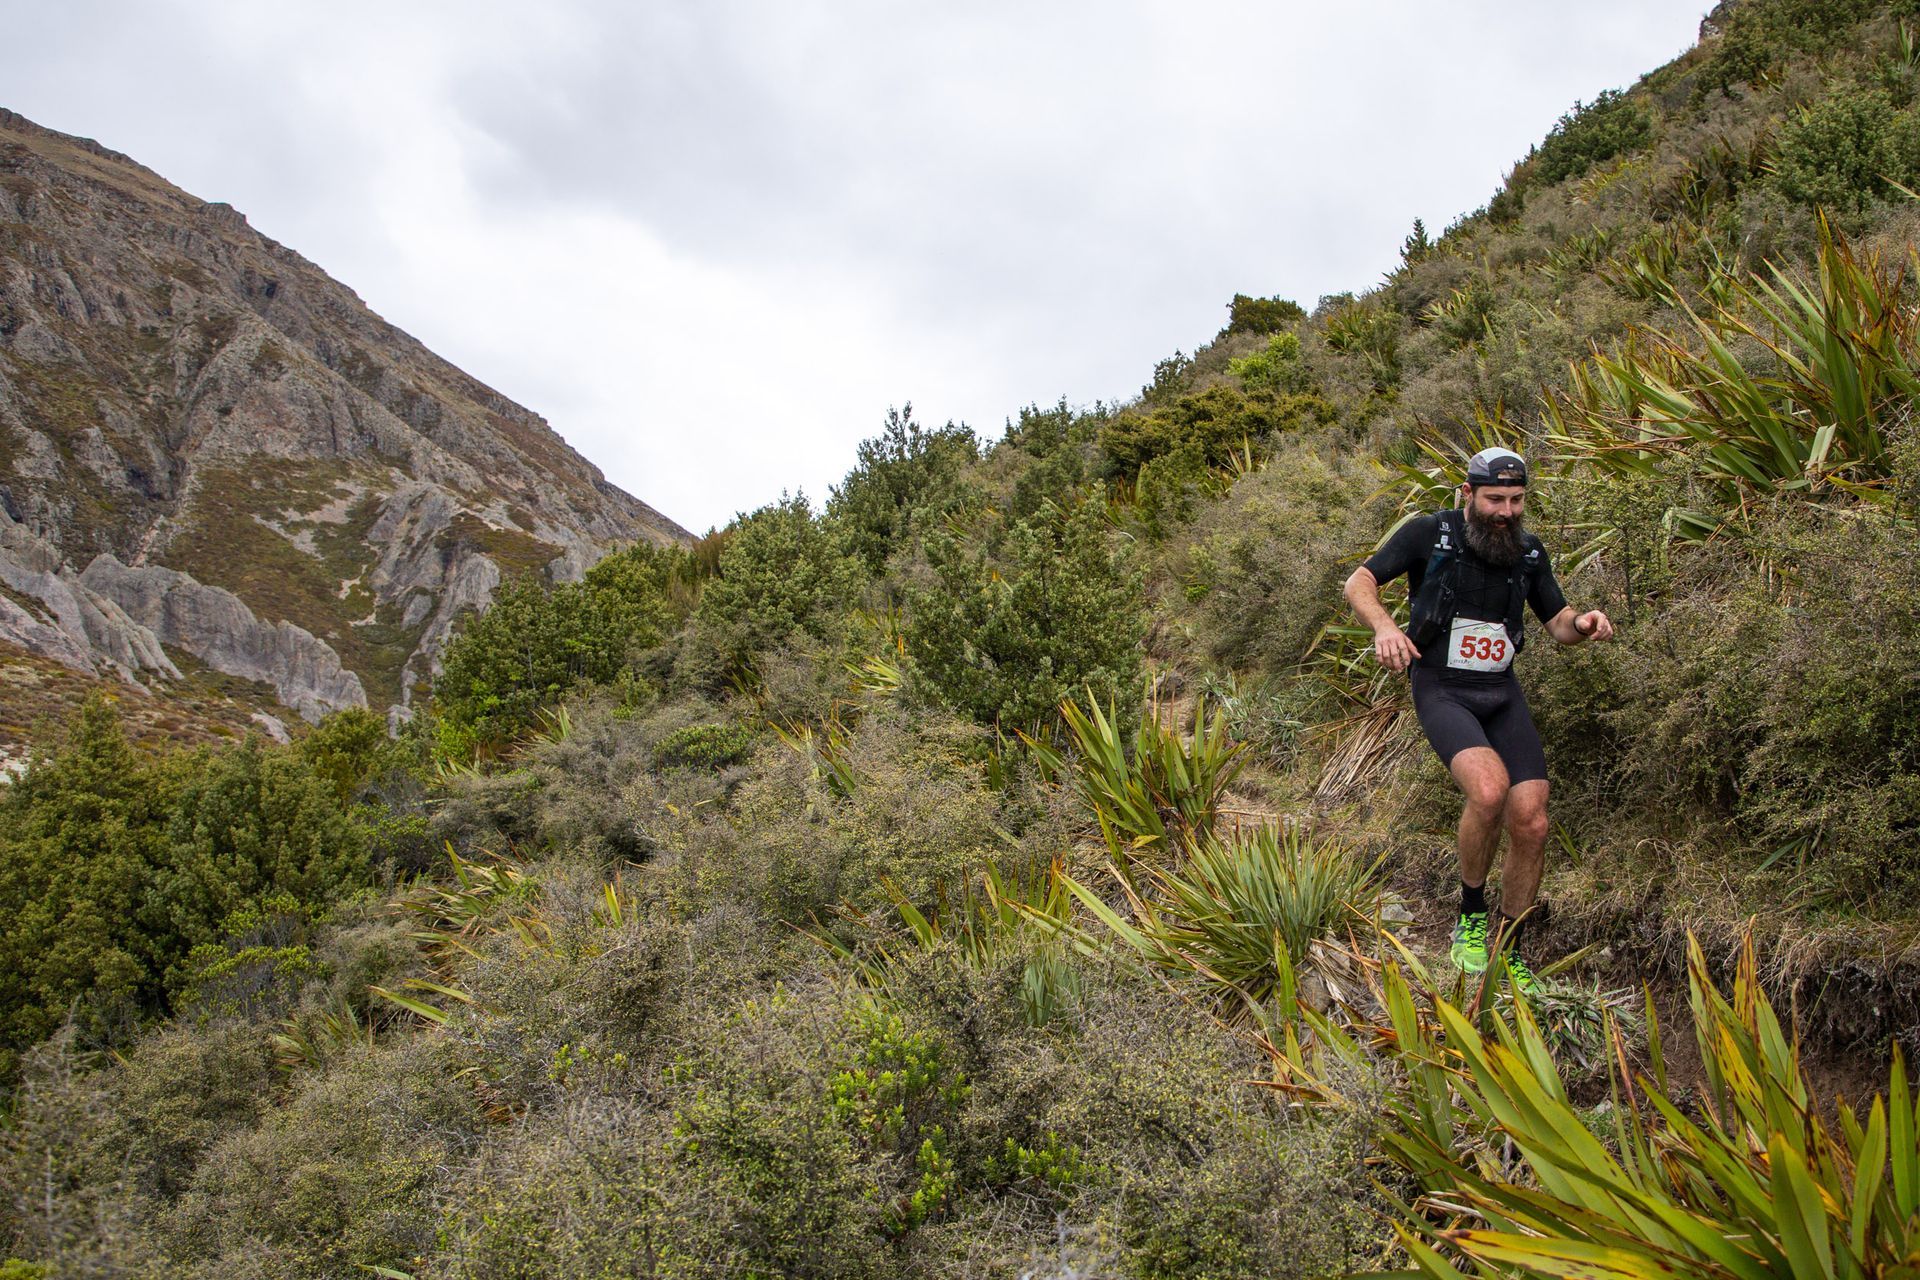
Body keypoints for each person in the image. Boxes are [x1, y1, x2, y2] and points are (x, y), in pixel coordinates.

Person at [1341, 447, 1614, 992]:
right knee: (1489, 792)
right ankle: (1469, 917)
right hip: (1442, 687)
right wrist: (1385, 628)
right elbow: (1359, 583)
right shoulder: (1427, 533)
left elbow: (1556, 623)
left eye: (1516, 501)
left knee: (1532, 818)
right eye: (1495, 499)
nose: (1506, 511)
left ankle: (1510, 950)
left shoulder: (1529, 553)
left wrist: (1583, 623)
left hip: (1500, 691)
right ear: (1467, 495)